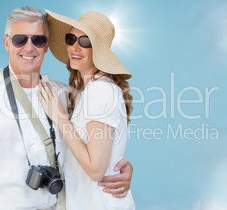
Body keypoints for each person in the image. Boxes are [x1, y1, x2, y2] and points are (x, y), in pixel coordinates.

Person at [0, 6, 133, 210]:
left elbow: (94, 147)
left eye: (38, 40)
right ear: (7, 43)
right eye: (20, 39)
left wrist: (118, 166)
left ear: (46, 46)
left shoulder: (65, 96)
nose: (29, 47)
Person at [38, 10, 135, 210]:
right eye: (71, 38)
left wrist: (59, 118)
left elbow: (96, 169)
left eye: (85, 41)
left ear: (98, 50)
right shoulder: (86, 92)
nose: (75, 46)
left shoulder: (101, 90)